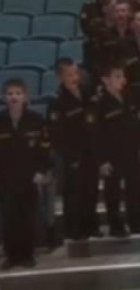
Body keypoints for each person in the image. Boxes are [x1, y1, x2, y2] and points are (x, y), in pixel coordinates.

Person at [0, 78, 52, 269]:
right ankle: (11, 255)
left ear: (25, 97)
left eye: (18, 93)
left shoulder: (36, 120)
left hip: (30, 177)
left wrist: (42, 171)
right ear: (4, 97)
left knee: (27, 216)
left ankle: (27, 254)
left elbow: (45, 148)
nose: (14, 97)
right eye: (10, 94)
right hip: (5, 177)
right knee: (9, 217)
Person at [91, 63, 140, 236]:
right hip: (112, 155)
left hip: (131, 151)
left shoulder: (129, 97)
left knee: (134, 189)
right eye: (118, 76)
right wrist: (102, 160)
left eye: (123, 76)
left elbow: (136, 126)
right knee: (113, 192)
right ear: (106, 80)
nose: (123, 80)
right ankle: (116, 226)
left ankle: (136, 223)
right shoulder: (99, 103)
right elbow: (96, 135)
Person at [47, 59, 97, 241]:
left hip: (91, 152)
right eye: (69, 74)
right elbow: (57, 136)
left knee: (90, 190)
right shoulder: (57, 102)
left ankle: (91, 226)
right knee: (74, 193)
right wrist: (71, 157)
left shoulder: (87, 93)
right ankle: (74, 230)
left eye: (76, 73)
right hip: (73, 156)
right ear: (60, 77)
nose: (74, 77)